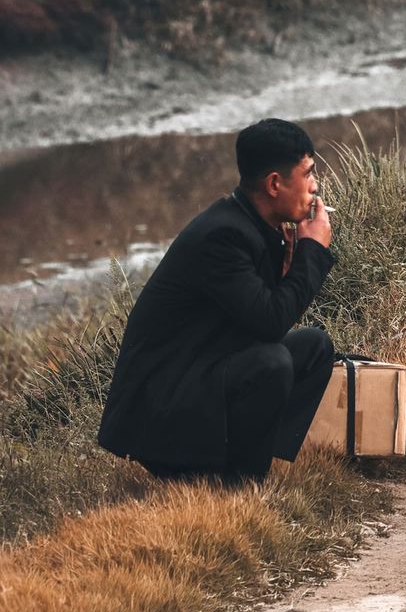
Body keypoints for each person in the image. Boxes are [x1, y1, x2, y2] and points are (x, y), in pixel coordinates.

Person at [98, 118, 335, 483]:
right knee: (272, 362)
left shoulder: (253, 224)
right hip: (160, 409)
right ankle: (237, 483)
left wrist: (291, 265)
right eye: (307, 174)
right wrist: (310, 252)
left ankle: (242, 460)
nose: (315, 186)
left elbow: (261, 320)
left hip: (201, 369)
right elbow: (270, 323)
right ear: (275, 183)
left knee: (314, 346)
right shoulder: (223, 236)